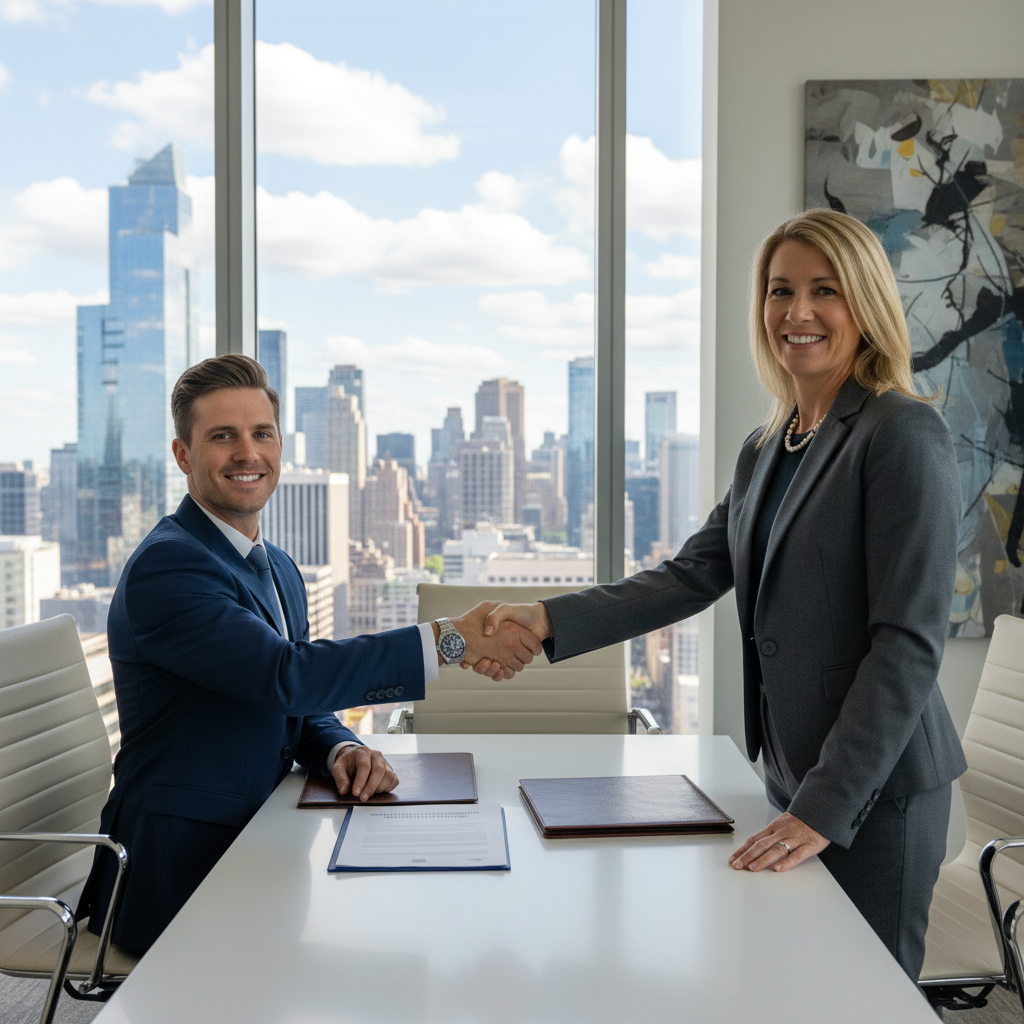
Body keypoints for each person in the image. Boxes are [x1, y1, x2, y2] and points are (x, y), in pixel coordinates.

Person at [478, 209, 967, 980]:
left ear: (865, 305)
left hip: (876, 792)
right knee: (792, 983)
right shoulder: (769, 444)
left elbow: (906, 644)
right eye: (780, 291)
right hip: (791, 772)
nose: (796, 312)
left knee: (863, 996)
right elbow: (690, 576)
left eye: (824, 291)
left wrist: (823, 805)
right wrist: (544, 620)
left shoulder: (900, 434)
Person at [79, 354, 540, 954]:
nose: (248, 453)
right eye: (223, 436)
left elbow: (286, 701)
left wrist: (338, 745)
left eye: (261, 433)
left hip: (267, 834)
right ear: (183, 456)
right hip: (183, 864)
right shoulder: (168, 568)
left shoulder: (279, 569)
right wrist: (451, 640)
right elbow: (283, 676)